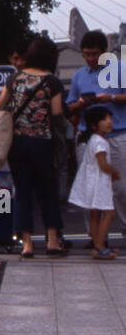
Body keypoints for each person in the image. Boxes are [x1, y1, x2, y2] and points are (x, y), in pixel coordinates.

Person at [0, 34, 67, 259]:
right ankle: (52, 241)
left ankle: (27, 244)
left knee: (22, 193)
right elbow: (58, 116)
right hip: (43, 143)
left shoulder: (15, 79)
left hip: (18, 144)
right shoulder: (53, 83)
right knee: (48, 192)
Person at [66, 29, 126, 234]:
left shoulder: (119, 70)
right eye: (87, 54)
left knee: (120, 187)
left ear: (105, 51)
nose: (90, 58)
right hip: (88, 137)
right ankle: (95, 235)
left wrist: (111, 98)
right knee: (90, 187)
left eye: (95, 53)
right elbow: (68, 106)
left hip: (117, 134)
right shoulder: (79, 76)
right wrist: (81, 103)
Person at [68, 106, 120, 259]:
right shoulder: (100, 142)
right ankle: (100, 245)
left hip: (92, 181)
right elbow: (103, 164)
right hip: (99, 183)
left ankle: (97, 245)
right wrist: (115, 172)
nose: (109, 122)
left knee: (95, 215)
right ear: (93, 125)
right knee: (109, 213)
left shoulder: (93, 139)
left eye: (110, 119)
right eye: (104, 119)